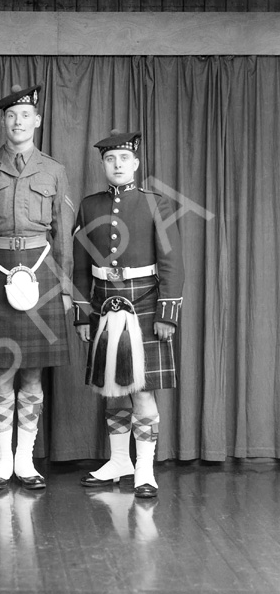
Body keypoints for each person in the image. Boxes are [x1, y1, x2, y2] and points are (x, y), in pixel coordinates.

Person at [0, 83, 75, 491]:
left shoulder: (55, 171)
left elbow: (63, 236)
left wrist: (63, 286)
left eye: (25, 115)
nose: (18, 122)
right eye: (11, 116)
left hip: (41, 273)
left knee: (32, 375)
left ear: (37, 121)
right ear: (3, 122)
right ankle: (1, 460)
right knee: (0, 371)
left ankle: (26, 460)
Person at [73, 130, 184, 498]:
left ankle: (145, 470)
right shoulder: (89, 206)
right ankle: (120, 461)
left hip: (146, 303)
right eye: (110, 159)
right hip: (104, 302)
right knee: (112, 388)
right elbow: (78, 265)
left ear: (135, 164)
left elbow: (172, 262)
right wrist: (82, 312)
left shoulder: (157, 203)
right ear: (103, 165)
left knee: (142, 391)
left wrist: (167, 313)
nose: (117, 165)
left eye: (124, 159)